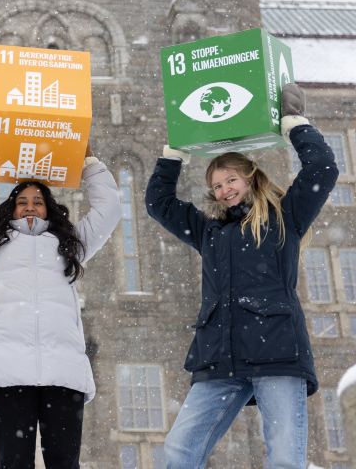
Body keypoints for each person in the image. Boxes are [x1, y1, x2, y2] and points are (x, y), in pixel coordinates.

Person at [145, 83, 338, 469]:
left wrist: (296, 125)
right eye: (216, 186)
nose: (223, 190)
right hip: (219, 359)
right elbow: (158, 204)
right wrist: (173, 154)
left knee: (284, 458)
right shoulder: (209, 231)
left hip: (277, 353)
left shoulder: (286, 216)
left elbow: (322, 169)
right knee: (181, 449)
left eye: (230, 180)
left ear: (250, 177)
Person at [0, 127, 122, 469]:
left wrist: (89, 160)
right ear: (11, 209)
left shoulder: (69, 246)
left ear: (49, 209)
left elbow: (109, 209)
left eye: (38, 201)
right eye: (22, 202)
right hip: (10, 370)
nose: (30, 208)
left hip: (62, 370)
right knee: (14, 462)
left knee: (64, 462)